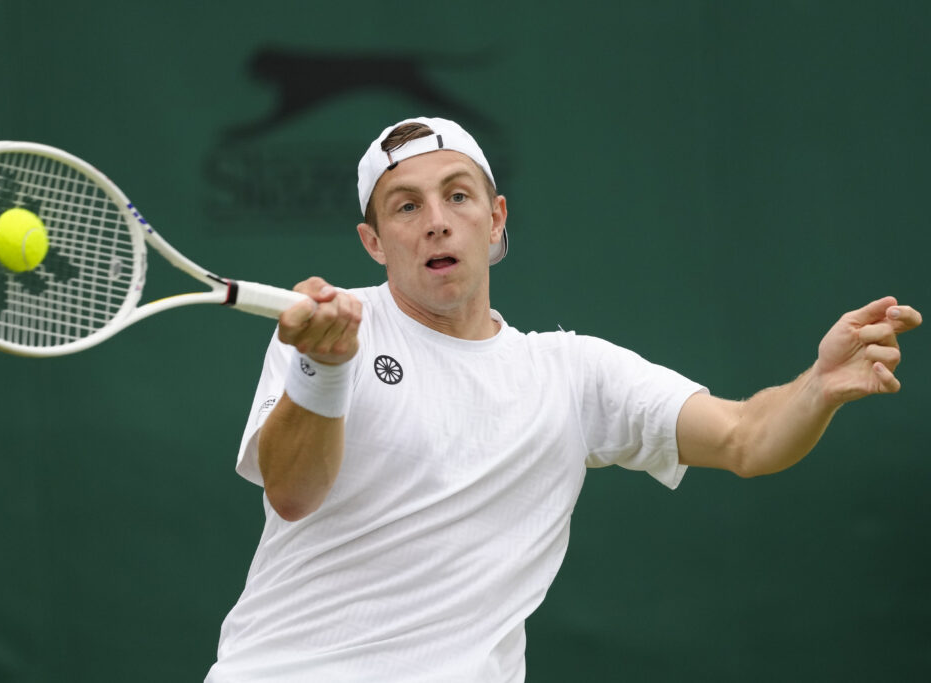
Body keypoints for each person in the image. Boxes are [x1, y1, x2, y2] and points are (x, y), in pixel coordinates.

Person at [204, 117, 921, 682]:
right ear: (373, 241)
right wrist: (321, 369)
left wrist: (818, 386)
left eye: (458, 194)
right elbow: (292, 493)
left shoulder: (572, 372)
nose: (436, 219)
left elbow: (746, 437)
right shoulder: (330, 329)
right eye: (405, 205)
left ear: (496, 216)